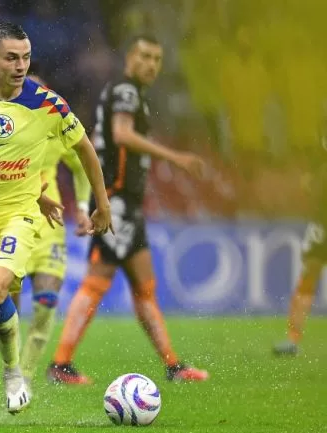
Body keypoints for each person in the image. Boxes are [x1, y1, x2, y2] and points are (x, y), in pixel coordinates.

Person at [0, 23, 113, 424]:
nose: (21, 65)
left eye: (25, 57)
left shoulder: (48, 104)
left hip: (20, 216)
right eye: (12, 57)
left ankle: (14, 374)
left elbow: (84, 148)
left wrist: (101, 203)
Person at [47, 34, 209, 384]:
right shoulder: (127, 91)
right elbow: (121, 135)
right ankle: (60, 365)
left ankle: (172, 365)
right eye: (145, 56)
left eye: (157, 59)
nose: (151, 64)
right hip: (116, 202)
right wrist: (176, 158)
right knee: (95, 283)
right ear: (130, 59)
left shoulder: (128, 92)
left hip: (125, 204)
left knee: (143, 287)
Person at [15, 71, 93, 384]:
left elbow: (83, 166)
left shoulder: (59, 128)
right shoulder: (4, 128)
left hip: (51, 228)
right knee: (8, 310)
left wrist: (85, 209)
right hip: (13, 224)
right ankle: (13, 368)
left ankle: (25, 375)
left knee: (46, 302)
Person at [273, 137, 327, 355]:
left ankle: (293, 339)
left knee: (307, 279)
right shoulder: (321, 168)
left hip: (320, 227)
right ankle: (292, 339)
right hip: (321, 227)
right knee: (307, 278)